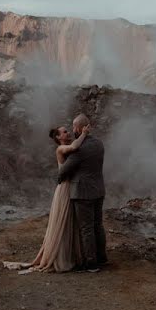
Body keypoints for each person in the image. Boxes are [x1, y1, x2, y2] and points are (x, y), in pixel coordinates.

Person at [24, 123, 89, 272]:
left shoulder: (70, 145)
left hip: (72, 187)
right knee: (64, 220)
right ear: (59, 137)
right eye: (65, 132)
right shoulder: (60, 149)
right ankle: (61, 256)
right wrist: (84, 133)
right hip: (65, 188)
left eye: (68, 131)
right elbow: (74, 148)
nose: (67, 133)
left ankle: (70, 255)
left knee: (71, 220)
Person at [57, 113, 107, 272]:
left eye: (73, 127)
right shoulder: (99, 144)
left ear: (79, 128)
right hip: (98, 189)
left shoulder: (79, 150)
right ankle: (102, 257)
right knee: (98, 225)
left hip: (82, 193)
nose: (72, 130)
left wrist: (59, 179)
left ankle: (91, 263)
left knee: (86, 228)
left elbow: (64, 171)